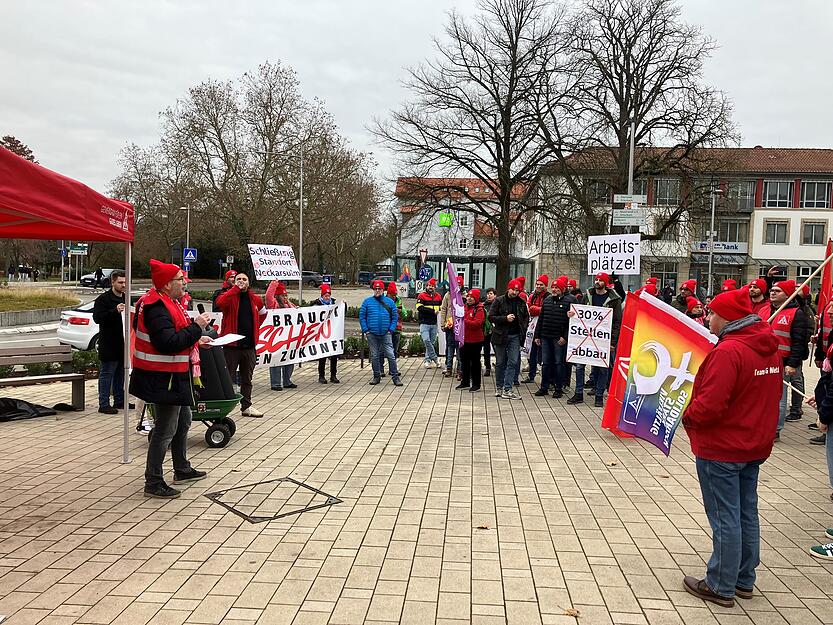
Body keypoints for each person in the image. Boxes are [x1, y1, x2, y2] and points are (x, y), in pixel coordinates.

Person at [680, 288, 781, 607]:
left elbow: (710, 405)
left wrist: (687, 415)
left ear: (727, 318)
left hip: (722, 447)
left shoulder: (729, 351)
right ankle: (742, 579)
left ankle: (721, 584)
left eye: (712, 313)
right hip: (753, 444)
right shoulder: (767, 348)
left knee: (725, 516)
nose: (707, 317)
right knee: (746, 512)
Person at [130, 259, 212, 499]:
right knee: (165, 429)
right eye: (180, 279)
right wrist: (196, 328)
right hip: (162, 377)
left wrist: (197, 340)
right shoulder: (156, 306)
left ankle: (182, 468)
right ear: (166, 284)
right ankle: (153, 481)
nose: (184, 283)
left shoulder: (168, 302)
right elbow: (167, 343)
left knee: (184, 421)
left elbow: (178, 335)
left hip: (172, 375)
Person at [758, 280, 809, 437]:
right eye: (772, 290)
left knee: (779, 398)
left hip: (783, 362)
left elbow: (799, 341)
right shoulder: (764, 311)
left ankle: (775, 430)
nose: (773, 293)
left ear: (788, 294)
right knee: (762, 396)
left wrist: (793, 363)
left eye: (778, 291)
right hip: (763, 360)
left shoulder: (797, 313)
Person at [215, 272, 268, 417]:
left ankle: (246, 407)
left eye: (244, 279)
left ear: (249, 283)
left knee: (247, 379)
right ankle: (221, 407)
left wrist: (256, 327)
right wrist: (235, 289)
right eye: (238, 279)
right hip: (232, 347)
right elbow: (219, 303)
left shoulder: (255, 299)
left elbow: (264, 313)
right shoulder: (229, 296)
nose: (241, 281)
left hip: (249, 347)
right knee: (227, 378)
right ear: (233, 282)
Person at [571, 272, 622, 408]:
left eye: (600, 280)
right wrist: (572, 314)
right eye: (596, 279)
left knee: (603, 368)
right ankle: (578, 393)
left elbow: (617, 322)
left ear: (606, 282)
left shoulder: (614, 300)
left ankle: (599, 395)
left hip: (603, 339)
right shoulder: (588, 296)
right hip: (586, 337)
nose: (597, 282)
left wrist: (613, 342)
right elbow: (579, 313)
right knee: (580, 366)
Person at [534, 276, 576, 399]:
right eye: (553, 287)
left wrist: (565, 336)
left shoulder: (570, 300)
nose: (554, 289)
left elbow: (572, 322)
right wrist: (537, 335)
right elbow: (541, 319)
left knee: (559, 363)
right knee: (546, 363)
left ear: (562, 289)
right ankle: (544, 387)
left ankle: (559, 388)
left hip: (559, 338)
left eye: (557, 287)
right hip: (545, 336)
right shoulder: (547, 300)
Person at [93, 269, 127, 414]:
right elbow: (97, 318)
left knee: (120, 373)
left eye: (125, 282)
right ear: (112, 282)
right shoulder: (104, 299)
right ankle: (104, 403)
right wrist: (114, 311)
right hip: (109, 343)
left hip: (122, 343)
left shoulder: (126, 298)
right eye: (120, 282)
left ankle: (119, 400)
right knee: (107, 373)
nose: (123, 285)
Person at [488, 279, 529, 400]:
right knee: (500, 362)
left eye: (517, 290)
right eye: (513, 289)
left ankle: (508, 388)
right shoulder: (499, 300)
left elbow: (526, 317)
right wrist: (505, 318)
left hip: (515, 336)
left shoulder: (521, 302)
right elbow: (491, 317)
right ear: (508, 288)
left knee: (513, 361)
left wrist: (523, 328)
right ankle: (499, 387)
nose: (515, 292)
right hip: (501, 335)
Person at [359, 280, 402, 386]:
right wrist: (366, 330)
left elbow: (395, 317)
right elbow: (362, 316)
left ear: (383, 290)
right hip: (372, 334)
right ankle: (376, 376)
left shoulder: (390, 302)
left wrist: (391, 329)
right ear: (373, 289)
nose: (377, 290)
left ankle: (395, 376)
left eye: (380, 289)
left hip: (386, 333)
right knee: (374, 355)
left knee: (391, 355)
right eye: (376, 289)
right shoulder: (367, 302)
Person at [265, 280, 297, 391]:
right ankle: (276, 383)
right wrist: (274, 283)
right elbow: (268, 296)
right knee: (276, 360)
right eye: (282, 295)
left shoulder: (289, 305)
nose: (284, 297)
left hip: (289, 336)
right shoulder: (274, 304)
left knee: (289, 359)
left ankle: (287, 380)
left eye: (285, 295)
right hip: (276, 337)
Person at [522, 275, 549, 384]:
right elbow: (529, 308)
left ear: (545, 286)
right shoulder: (532, 296)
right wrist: (536, 309)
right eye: (537, 284)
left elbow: (546, 310)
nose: (538, 286)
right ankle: (531, 375)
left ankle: (546, 379)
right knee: (531, 353)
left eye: (541, 284)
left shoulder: (548, 296)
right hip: (532, 328)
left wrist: (535, 309)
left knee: (543, 355)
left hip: (544, 327)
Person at [457, 289, 485, 393]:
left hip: (475, 340)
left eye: (471, 297)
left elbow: (477, 324)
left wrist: (464, 320)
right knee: (464, 361)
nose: (469, 298)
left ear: (476, 298)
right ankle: (465, 382)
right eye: (468, 296)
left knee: (475, 362)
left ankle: (476, 384)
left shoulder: (479, 309)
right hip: (464, 339)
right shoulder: (464, 307)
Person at [440, 275, 464, 379]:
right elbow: (444, 309)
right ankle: (448, 367)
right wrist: (442, 323)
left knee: (460, 350)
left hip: (460, 326)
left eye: (459, 284)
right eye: (455, 284)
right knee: (450, 347)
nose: (457, 286)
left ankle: (460, 370)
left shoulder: (464, 295)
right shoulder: (448, 295)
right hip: (450, 326)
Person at [315, 284, 339, 384]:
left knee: (334, 355)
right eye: (325, 296)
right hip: (322, 333)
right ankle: (321, 376)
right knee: (322, 355)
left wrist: (343, 306)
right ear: (322, 296)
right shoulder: (317, 304)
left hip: (332, 332)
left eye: (328, 295)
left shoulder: (333, 303)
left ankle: (333, 375)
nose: (327, 297)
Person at [416, 278, 442, 368]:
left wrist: (438, 310)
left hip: (434, 323)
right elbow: (419, 308)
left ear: (435, 287)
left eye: (432, 286)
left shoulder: (438, 296)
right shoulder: (421, 296)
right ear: (426, 286)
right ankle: (435, 358)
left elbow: (441, 308)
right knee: (426, 340)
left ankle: (427, 360)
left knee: (431, 342)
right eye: (429, 285)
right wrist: (433, 311)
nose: (431, 287)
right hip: (424, 323)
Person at [379, 282, 404, 375]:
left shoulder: (399, 301)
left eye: (395, 295)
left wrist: (400, 311)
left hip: (397, 329)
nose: (394, 297)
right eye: (392, 295)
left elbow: (404, 313)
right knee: (382, 350)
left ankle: (392, 370)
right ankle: (380, 369)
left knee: (394, 351)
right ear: (388, 294)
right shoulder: (383, 301)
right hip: (385, 330)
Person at [482, 288, 496, 376]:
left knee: (497, 349)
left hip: (495, 331)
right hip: (486, 331)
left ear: (495, 295)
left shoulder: (497, 304)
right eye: (488, 294)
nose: (489, 295)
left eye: (491, 294)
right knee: (486, 349)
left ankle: (499, 365)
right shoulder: (483, 305)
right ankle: (487, 367)